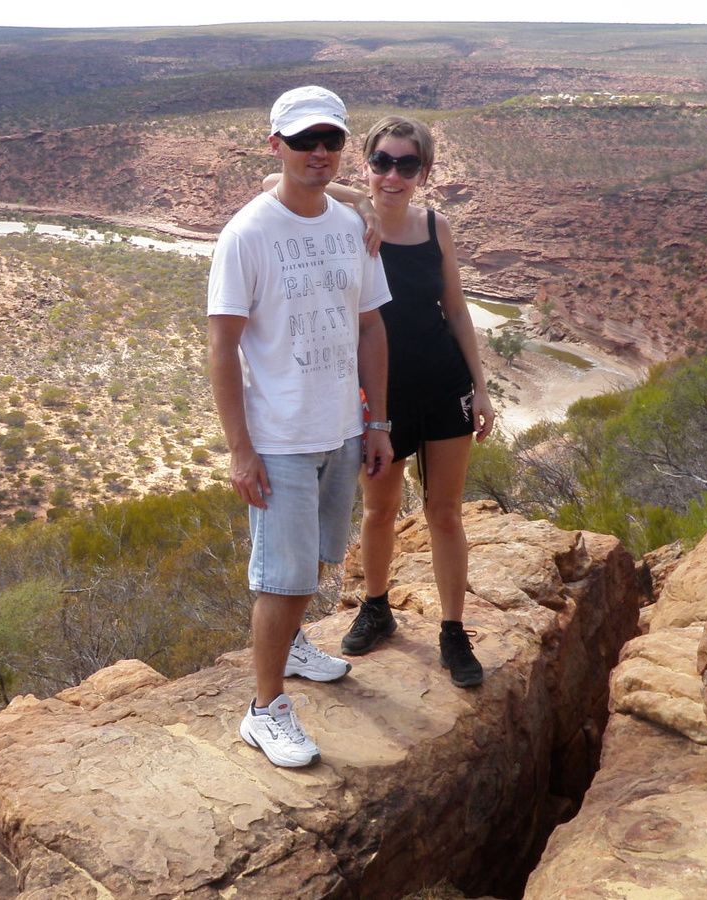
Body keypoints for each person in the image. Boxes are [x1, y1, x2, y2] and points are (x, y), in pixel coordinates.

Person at [267, 116, 496, 687]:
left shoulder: (435, 227)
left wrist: (482, 387)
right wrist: (360, 200)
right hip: (377, 396)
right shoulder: (344, 220)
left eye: (407, 164)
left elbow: (458, 311)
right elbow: (270, 188)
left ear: (425, 170)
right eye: (382, 162)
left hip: (443, 385)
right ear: (365, 164)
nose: (393, 175)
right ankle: (376, 605)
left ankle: (451, 629)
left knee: (445, 513)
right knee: (379, 510)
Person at [207, 85, 395, 768]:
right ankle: (264, 709)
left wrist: (376, 421)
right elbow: (222, 345)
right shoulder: (247, 235)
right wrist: (240, 449)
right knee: (282, 580)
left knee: (318, 559)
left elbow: (371, 326)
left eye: (331, 141)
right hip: (281, 438)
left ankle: (289, 647)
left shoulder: (351, 227)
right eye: (304, 140)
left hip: (342, 427)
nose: (319, 153)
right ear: (276, 144)